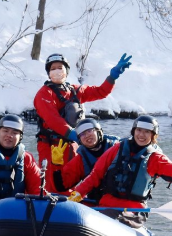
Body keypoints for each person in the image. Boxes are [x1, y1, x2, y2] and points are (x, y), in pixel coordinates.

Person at [68, 115, 172, 226]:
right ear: (133, 131)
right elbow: (95, 176)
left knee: (113, 220)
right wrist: (77, 194)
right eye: (139, 130)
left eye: (147, 132)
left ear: (153, 136)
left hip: (133, 212)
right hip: (105, 207)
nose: (142, 135)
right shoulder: (117, 149)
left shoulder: (155, 158)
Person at [34, 52, 132, 193]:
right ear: (48, 73)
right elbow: (53, 119)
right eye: (53, 68)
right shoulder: (43, 94)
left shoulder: (74, 90)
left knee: (72, 178)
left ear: (66, 71)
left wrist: (112, 77)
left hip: (73, 143)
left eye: (60, 67)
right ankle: (48, 201)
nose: (56, 71)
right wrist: (74, 134)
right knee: (52, 182)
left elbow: (100, 92)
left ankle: (75, 201)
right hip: (51, 145)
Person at [51, 118, 120, 203]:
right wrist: (56, 165)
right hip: (96, 201)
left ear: (98, 131)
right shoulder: (81, 159)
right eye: (82, 134)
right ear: (79, 140)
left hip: (121, 198)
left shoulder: (118, 148)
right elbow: (62, 186)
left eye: (89, 131)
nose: (87, 135)